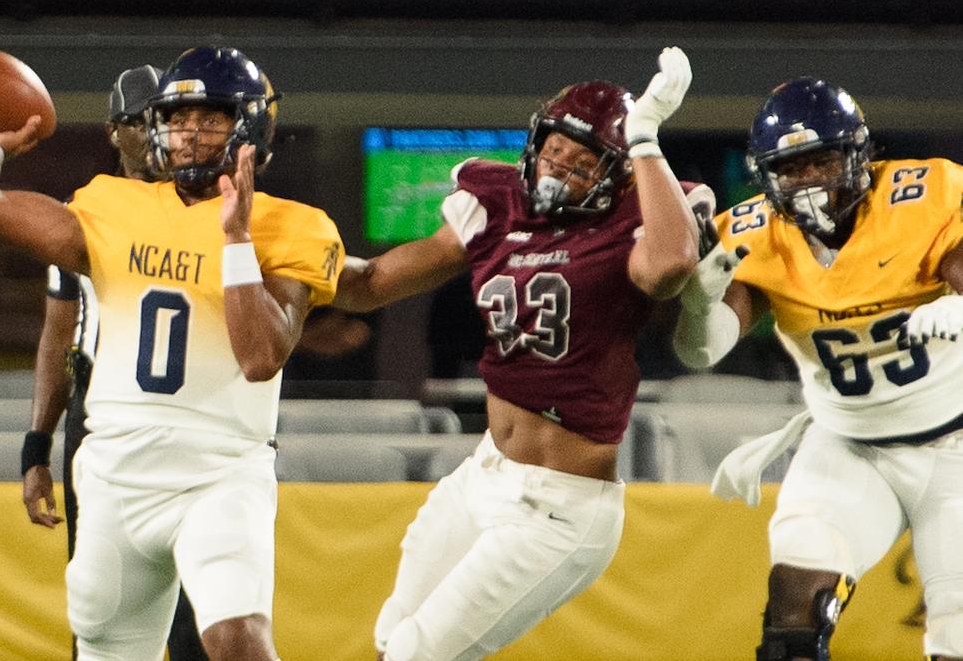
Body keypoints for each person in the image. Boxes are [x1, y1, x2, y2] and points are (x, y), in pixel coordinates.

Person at [0, 45, 344, 661]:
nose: (188, 133)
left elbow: (261, 356)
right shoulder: (112, 204)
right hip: (115, 471)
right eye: (177, 118)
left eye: (209, 118)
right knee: (105, 648)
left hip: (221, 471)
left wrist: (236, 238)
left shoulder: (290, 225)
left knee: (237, 639)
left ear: (249, 127)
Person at [334, 47, 704, 661]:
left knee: (414, 656)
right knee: (391, 639)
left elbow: (667, 268)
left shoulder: (635, 215)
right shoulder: (498, 202)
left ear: (617, 175)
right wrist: (272, 255)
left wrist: (644, 138)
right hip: (484, 473)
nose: (560, 169)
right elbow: (369, 284)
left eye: (584, 163)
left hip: (559, 506)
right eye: (555, 150)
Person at [671, 77, 963, 661]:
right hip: (848, 445)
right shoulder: (751, 233)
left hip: (955, 442)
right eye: (791, 167)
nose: (808, 180)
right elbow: (701, 353)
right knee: (793, 617)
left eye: (822, 161)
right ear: (766, 176)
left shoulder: (924, 196)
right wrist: (699, 306)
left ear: (858, 155)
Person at [19, 64, 207, 661]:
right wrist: (36, 446)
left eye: (165, 119)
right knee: (100, 602)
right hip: (101, 411)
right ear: (113, 131)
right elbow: (59, 335)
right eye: (140, 121)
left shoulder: (213, 206)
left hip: (194, 415)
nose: (155, 133)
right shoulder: (85, 211)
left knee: (202, 609)